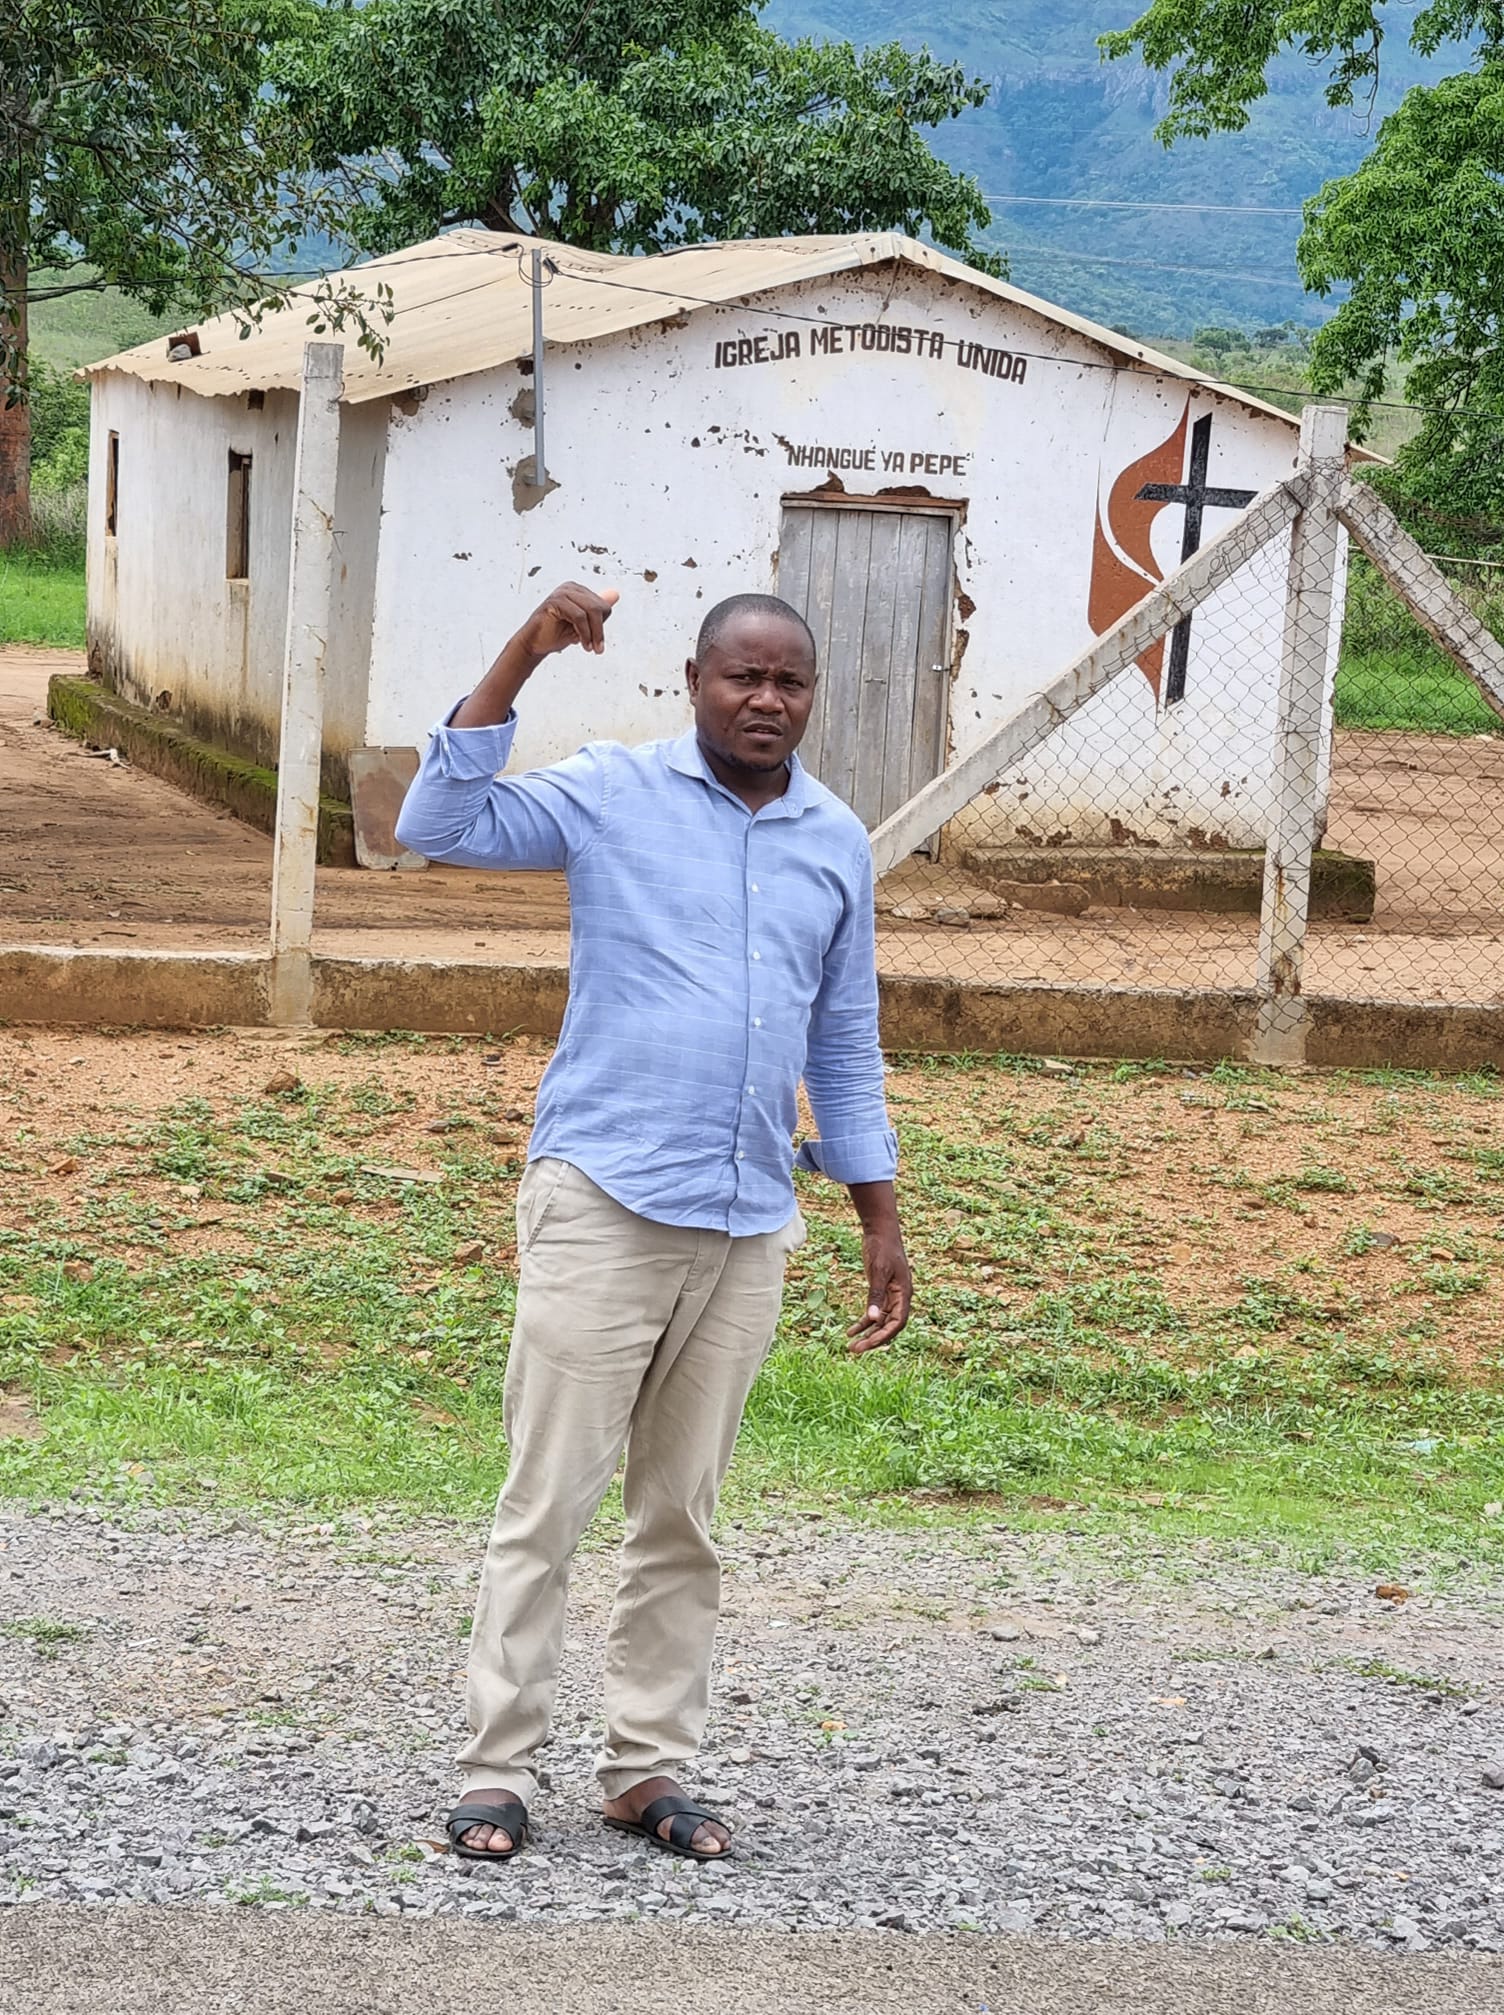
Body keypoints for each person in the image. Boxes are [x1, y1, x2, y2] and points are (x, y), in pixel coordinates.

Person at [394, 582, 912, 1865]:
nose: (765, 699)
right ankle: (496, 1769)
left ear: (810, 695)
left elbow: (844, 1037)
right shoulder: (611, 792)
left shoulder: (834, 838)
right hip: (605, 1201)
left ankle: (645, 1768)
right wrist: (525, 649)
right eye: (742, 675)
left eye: (788, 680)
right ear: (692, 681)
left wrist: (877, 1214)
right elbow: (435, 821)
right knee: (547, 1505)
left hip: (747, 1220)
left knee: (682, 1517)